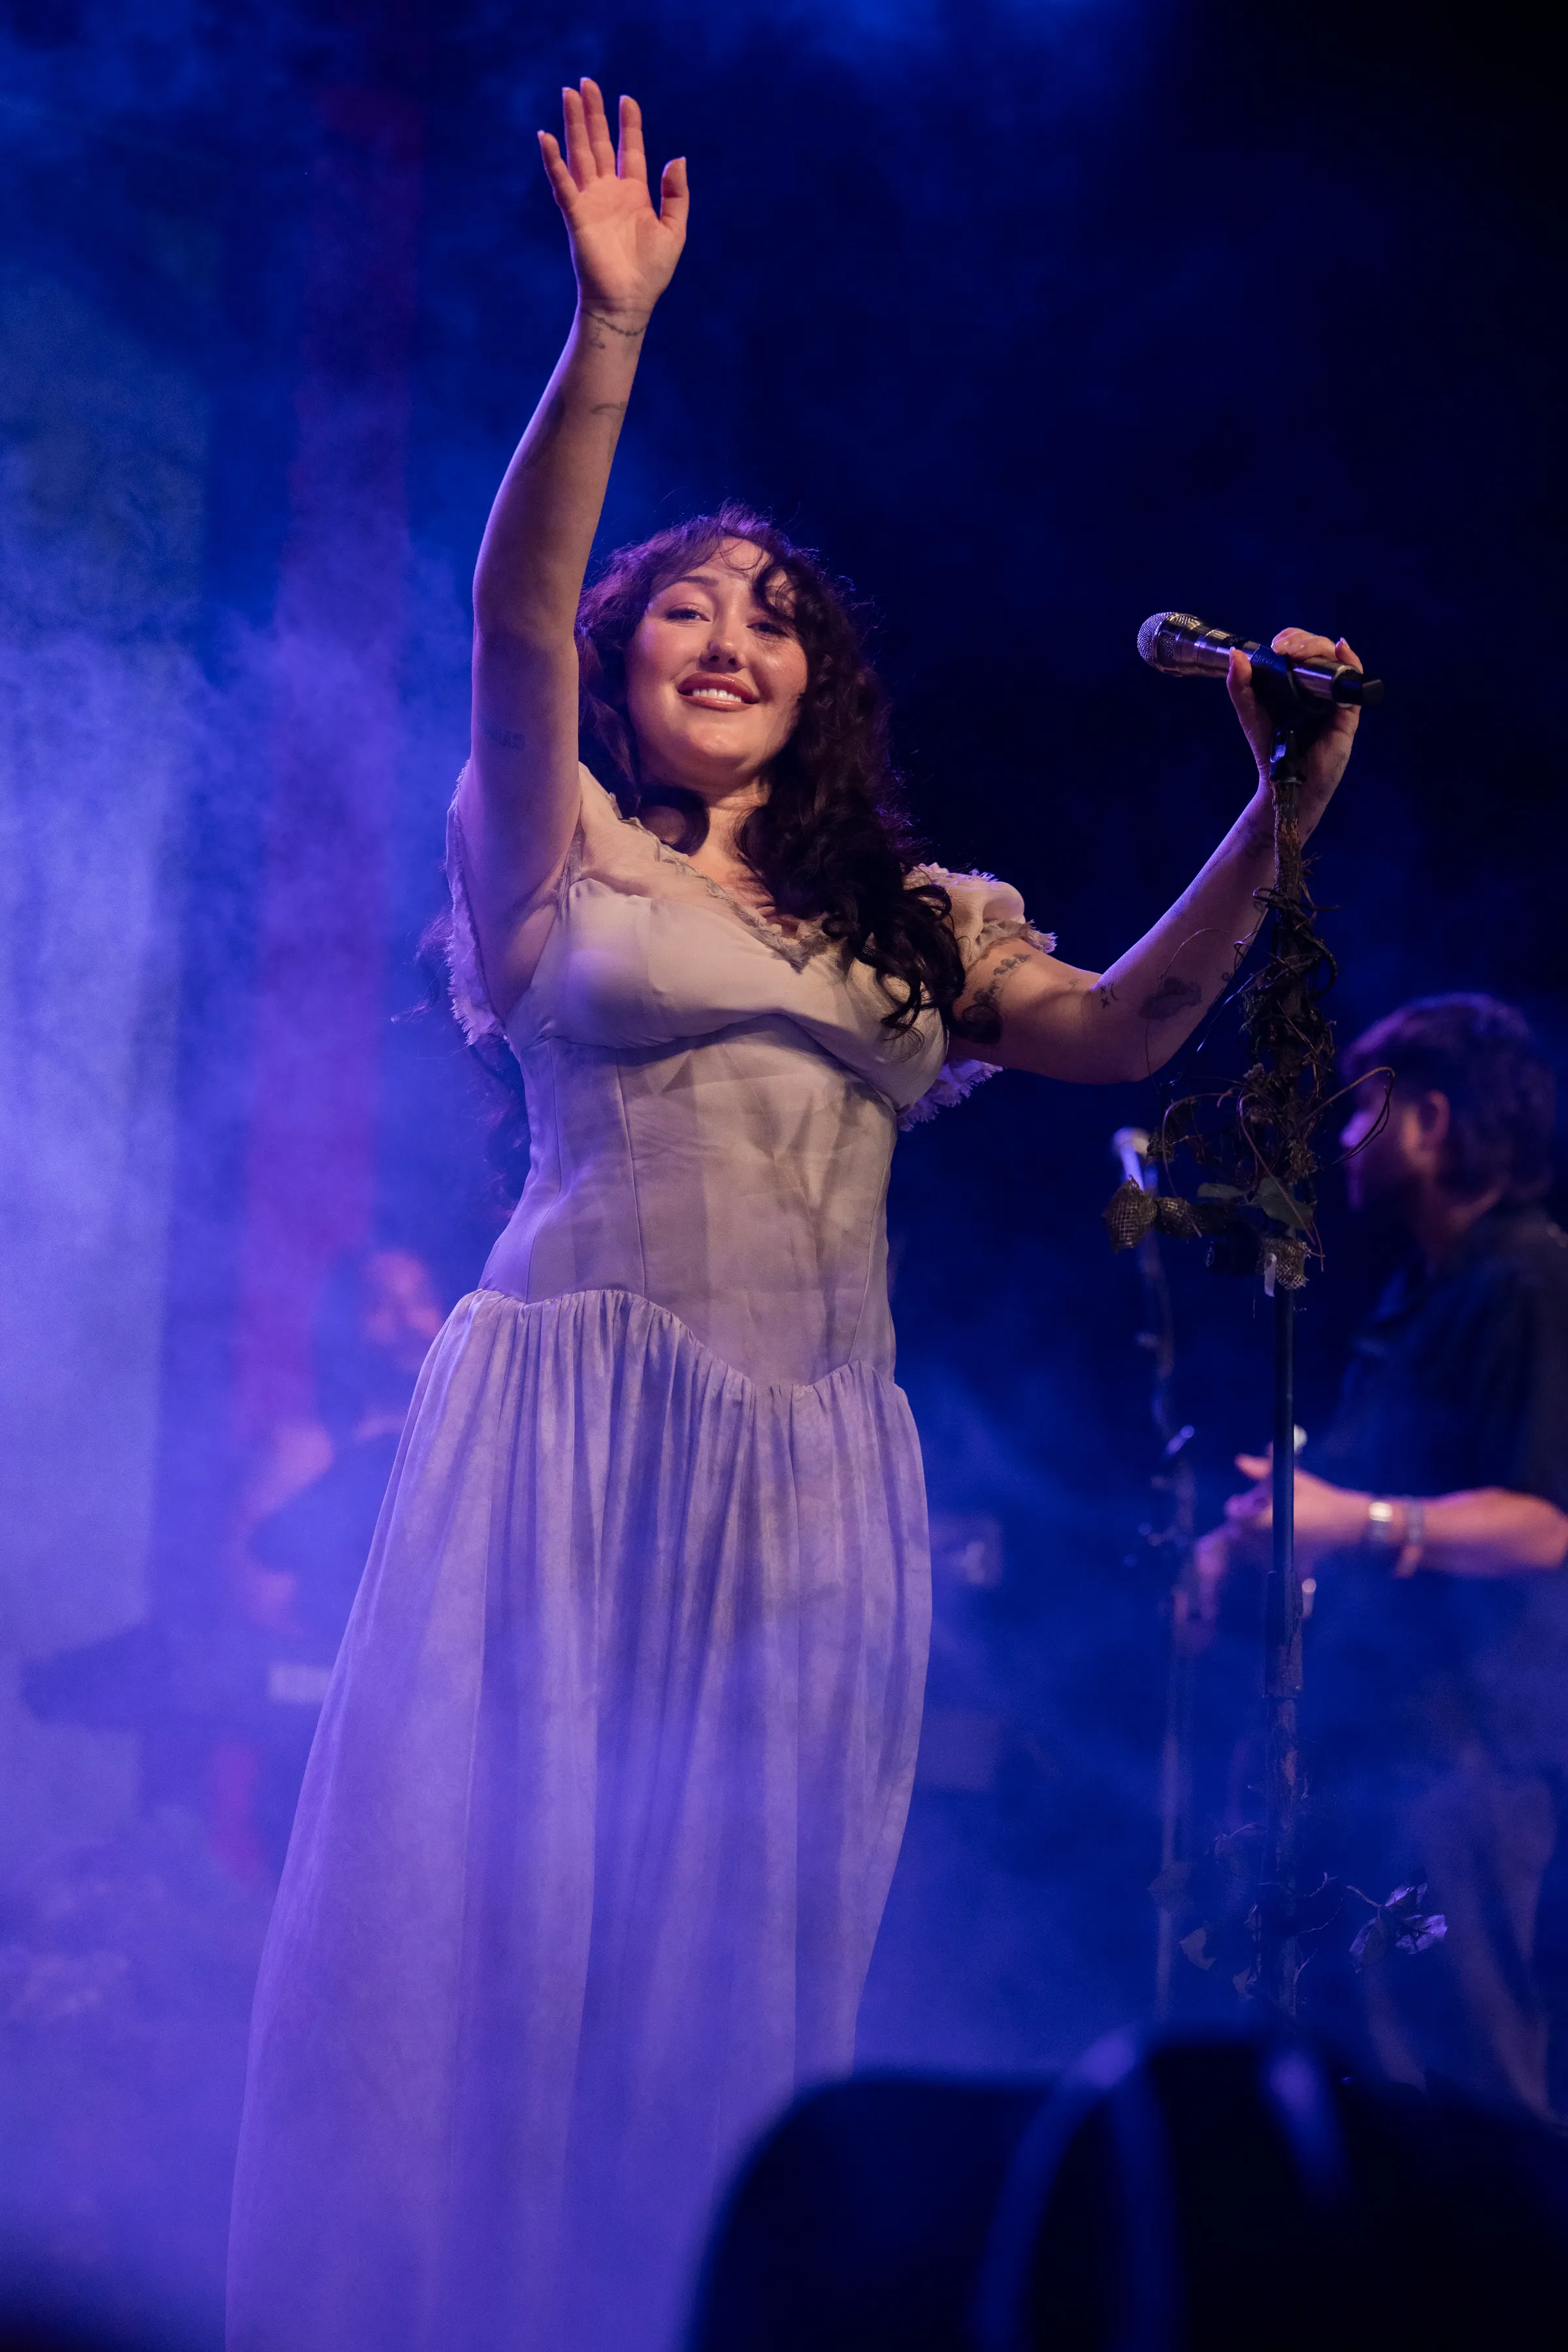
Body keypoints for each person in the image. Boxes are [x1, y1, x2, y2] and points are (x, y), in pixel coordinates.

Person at [226, 80, 1362, 2352]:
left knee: (737, 1960)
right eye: (689, 613)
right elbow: (517, 603)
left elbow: (1131, 1032)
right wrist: (611, 335)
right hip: (558, 1441)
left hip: (813, 1466)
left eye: (775, 617)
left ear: (825, 685)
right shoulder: (552, 847)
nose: (728, 637)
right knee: (491, 1934)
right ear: (637, 669)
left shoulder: (916, 923)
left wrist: (1286, 801)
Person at [1199, 994, 1568, 2113]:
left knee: (1466, 2084)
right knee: (1358, 2082)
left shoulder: (1528, 1278)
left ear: (1432, 1122)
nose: (1339, 1138)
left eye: (1365, 1111)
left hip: (1469, 1757)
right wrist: (1248, 1543)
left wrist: (1352, 1521)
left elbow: (1547, 1522)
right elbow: (1346, 1492)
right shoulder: (1425, 1292)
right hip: (1385, 1744)